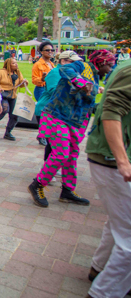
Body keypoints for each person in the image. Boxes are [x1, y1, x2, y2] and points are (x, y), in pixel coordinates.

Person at [27, 52, 115, 208]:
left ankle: (67, 191)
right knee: (61, 154)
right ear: (101, 63)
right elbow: (65, 69)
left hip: (75, 122)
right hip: (57, 116)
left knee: (72, 155)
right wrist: (81, 82)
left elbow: (84, 102)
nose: (110, 68)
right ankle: (37, 185)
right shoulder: (82, 66)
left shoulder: (95, 78)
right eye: (109, 64)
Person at [85, 59, 131, 298]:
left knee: (119, 223)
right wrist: (123, 160)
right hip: (112, 159)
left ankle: (99, 269)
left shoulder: (123, 66)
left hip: (109, 157)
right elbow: (111, 109)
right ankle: (103, 292)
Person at [35, 51, 83, 166]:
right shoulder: (56, 73)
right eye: (73, 62)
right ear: (63, 61)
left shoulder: (70, 73)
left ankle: (50, 169)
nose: (76, 64)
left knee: (58, 143)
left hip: (60, 112)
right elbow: (54, 91)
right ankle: (48, 169)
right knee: (54, 143)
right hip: (47, 110)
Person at [0, 58, 29, 141]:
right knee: (4, 109)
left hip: (13, 95)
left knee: (15, 115)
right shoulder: (1, 72)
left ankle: (8, 132)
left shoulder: (17, 73)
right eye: (13, 63)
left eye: (16, 63)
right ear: (8, 64)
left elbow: (20, 84)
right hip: (3, 94)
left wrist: (25, 83)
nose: (16, 64)